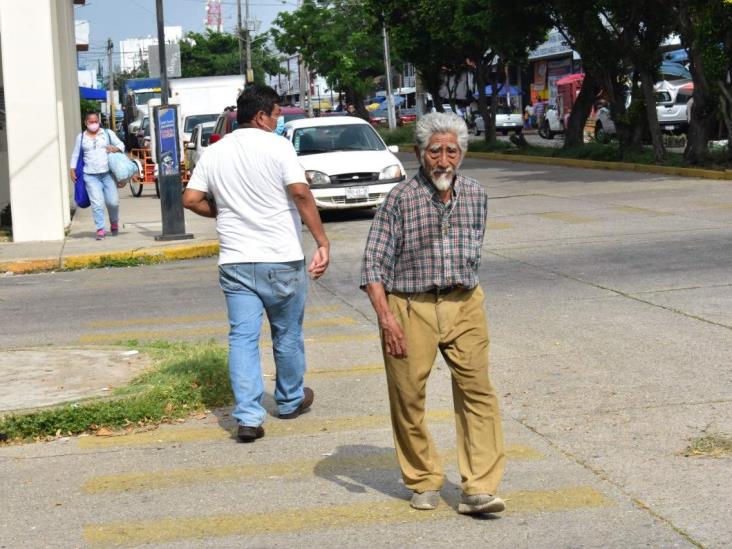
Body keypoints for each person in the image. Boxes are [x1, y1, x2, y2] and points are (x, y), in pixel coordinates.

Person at [360, 112, 505, 515]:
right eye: (435, 152)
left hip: (465, 303)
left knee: (478, 392)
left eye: (452, 152)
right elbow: (373, 266)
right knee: (408, 397)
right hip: (409, 306)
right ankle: (423, 479)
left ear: (463, 154)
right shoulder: (399, 199)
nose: (443, 161)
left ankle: (478, 487)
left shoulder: (476, 194)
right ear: (418, 153)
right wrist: (387, 318)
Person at [183, 84, 330, 443]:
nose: (279, 122)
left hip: (235, 261)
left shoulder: (216, 152)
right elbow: (299, 192)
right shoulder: (279, 147)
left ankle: (248, 417)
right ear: (262, 116)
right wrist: (322, 240)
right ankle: (290, 400)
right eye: (277, 115)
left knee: (243, 339)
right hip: (280, 258)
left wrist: (218, 212)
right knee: (287, 333)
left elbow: (190, 199)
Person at [69, 112, 125, 240]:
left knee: (113, 202)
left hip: (107, 174)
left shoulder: (107, 133)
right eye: (91, 122)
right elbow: (76, 154)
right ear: (86, 123)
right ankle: (100, 229)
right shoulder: (81, 137)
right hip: (90, 175)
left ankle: (114, 222)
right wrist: (72, 169)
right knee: (97, 203)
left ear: (99, 121)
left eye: (96, 121)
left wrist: (115, 149)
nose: (94, 124)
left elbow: (121, 145)